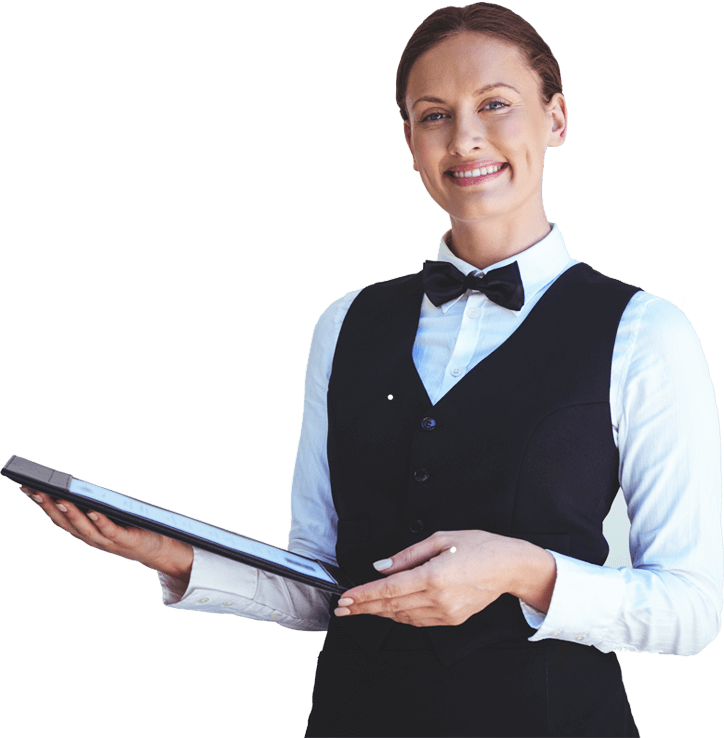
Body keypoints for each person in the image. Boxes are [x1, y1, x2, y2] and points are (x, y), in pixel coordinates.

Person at [20, 3, 721, 737]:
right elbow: (323, 585)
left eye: (495, 105)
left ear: (556, 119)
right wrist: (171, 553)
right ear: (411, 142)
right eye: (434, 115)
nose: (466, 137)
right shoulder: (345, 322)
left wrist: (521, 570)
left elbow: (689, 610)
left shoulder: (645, 332)